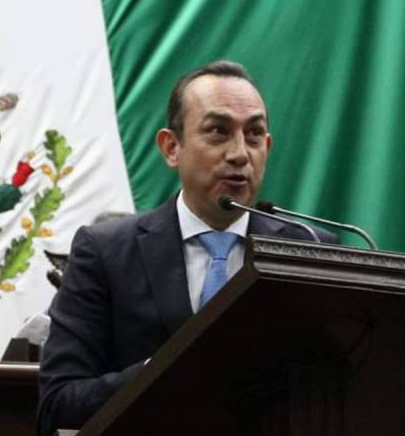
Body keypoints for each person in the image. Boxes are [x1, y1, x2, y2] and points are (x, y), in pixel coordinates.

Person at [37, 61, 336, 435]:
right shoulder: (106, 252)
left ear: (268, 147)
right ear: (171, 147)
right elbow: (59, 405)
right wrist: (162, 373)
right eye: (218, 131)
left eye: (254, 134)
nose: (240, 154)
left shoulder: (308, 250)